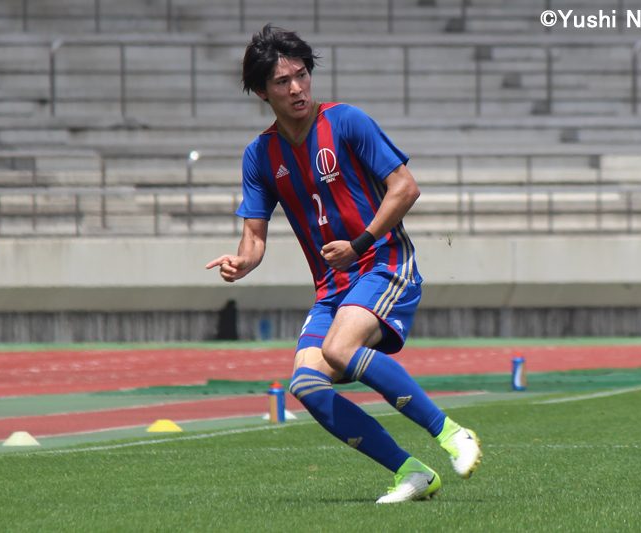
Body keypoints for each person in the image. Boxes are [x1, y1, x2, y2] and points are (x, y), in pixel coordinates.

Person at [206, 24, 481, 503]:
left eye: (302, 75)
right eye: (282, 81)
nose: (297, 88)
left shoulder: (347, 121)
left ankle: (451, 432)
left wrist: (360, 242)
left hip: (384, 263)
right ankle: (412, 473)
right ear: (261, 91)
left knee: (338, 348)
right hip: (334, 287)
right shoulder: (260, 155)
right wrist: (240, 262)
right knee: (306, 384)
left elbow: (405, 188)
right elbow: (253, 238)